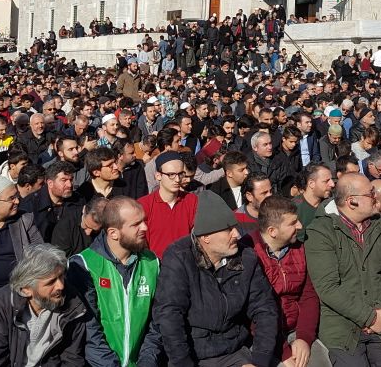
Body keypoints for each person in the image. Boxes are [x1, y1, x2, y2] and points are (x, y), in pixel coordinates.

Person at [154, 190, 279, 367]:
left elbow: (264, 308)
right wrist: (183, 363)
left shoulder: (246, 258)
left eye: (235, 227)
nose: (236, 234)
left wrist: (259, 359)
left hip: (235, 351)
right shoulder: (179, 258)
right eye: (228, 229)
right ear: (205, 237)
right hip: (194, 355)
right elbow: (169, 315)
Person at [305, 174, 381, 366]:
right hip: (342, 326)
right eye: (370, 194)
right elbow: (327, 287)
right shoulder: (321, 232)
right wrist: (369, 317)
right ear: (352, 201)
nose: (375, 198)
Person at [67, 196, 163, 367]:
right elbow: (89, 328)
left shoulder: (152, 263)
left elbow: (157, 321)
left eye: (144, 221)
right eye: (136, 224)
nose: (145, 227)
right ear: (113, 233)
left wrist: (147, 361)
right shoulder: (84, 265)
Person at [0, 243, 88, 367]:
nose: (61, 286)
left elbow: (72, 359)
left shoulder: (73, 305)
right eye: (51, 282)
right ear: (26, 289)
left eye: (61, 276)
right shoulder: (0, 306)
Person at [250, 196, 324, 367]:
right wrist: (284, 352)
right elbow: (252, 314)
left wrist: (304, 338)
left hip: (296, 329)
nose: (300, 226)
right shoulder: (249, 254)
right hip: (263, 338)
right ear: (272, 231)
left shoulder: (299, 249)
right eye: (293, 223)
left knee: (321, 361)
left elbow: (308, 296)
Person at [138, 152, 199, 257]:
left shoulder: (191, 200)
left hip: (185, 265)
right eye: (171, 175)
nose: (177, 179)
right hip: (156, 266)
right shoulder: (143, 205)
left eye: (181, 174)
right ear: (158, 175)